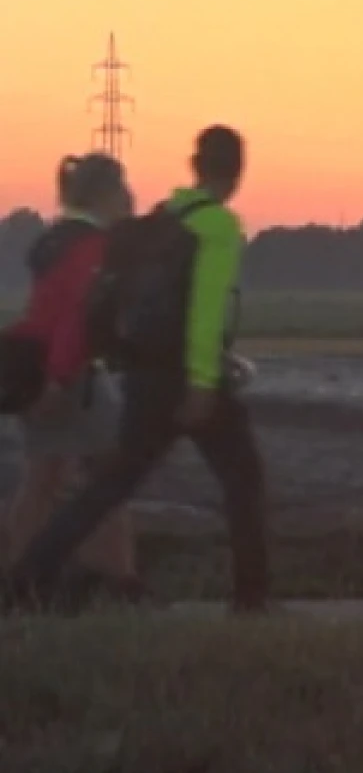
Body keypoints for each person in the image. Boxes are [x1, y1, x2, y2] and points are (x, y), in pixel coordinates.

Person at [4, 126, 270, 613]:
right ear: (236, 171)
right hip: (184, 377)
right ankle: (250, 598)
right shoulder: (216, 225)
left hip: (141, 375)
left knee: (103, 484)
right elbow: (206, 310)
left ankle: (30, 577)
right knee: (244, 480)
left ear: (195, 164)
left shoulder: (163, 217)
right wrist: (205, 380)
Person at [2, 154, 145, 602]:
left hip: (33, 363)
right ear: (107, 194)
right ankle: (118, 580)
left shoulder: (54, 240)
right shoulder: (92, 247)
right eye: (124, 188)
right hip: (67, 374)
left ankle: (19, 581)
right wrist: (60, 379)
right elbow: (78, 320)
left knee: (43, 478)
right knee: (109, 475)